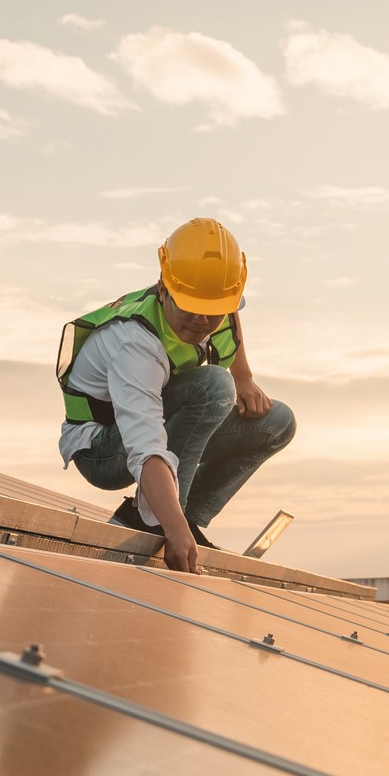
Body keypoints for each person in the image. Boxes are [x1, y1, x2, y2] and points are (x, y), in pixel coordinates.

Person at [55, 218, 298, 573]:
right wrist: (171, 527)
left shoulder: (212, 297)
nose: (201, 320)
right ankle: (155, 518)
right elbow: (145, 445)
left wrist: (244, 376)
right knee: (212, 386)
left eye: (212, 310)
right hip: (102, 448)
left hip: (159, 423)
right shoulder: (135, 343)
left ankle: (191, 522)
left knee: (278, 422)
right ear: (163, 289)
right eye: (189, 307)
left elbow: (230, 313)